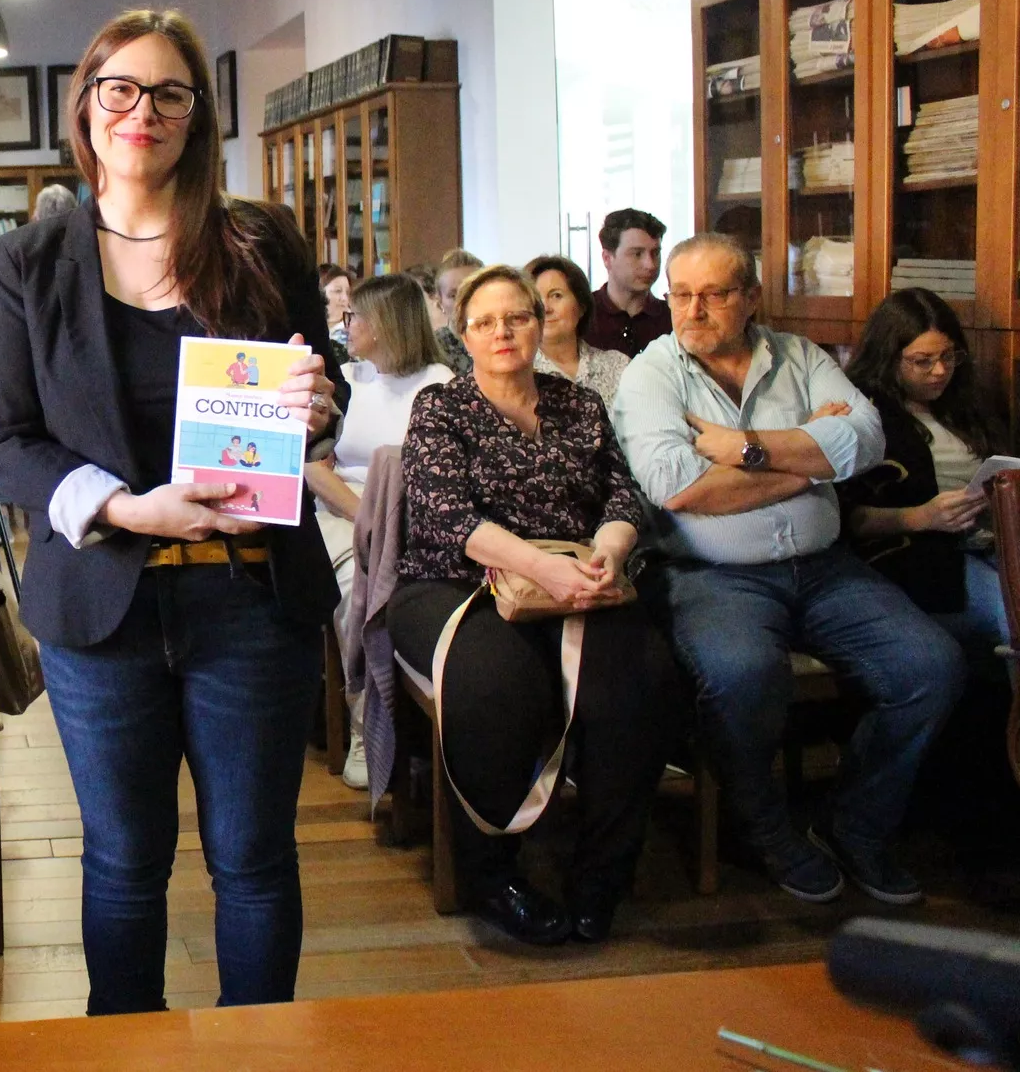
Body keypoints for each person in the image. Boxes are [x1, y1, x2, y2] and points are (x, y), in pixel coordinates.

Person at [0, 8, 340, 1014]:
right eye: (119, 89)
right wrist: (128, 512)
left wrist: (319, 404)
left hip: (251, 601)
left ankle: (255, 1049)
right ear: (86, 109)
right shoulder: (28, 263)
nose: (143, 109)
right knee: (125, 862)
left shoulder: (259, 241)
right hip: (103, 611)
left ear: (196, 115)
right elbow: (2, 442)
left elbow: (319, 387)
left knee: (253, 858)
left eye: (168, 92)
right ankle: (122, 1046)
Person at [611, 233, 965, 907]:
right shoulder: (652, 374)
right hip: (710, 574)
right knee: (745, 675)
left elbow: (865, 441)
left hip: (826, 567)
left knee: (932, 665)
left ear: (750, 297)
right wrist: (806, 464)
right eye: (680, 294)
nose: (693, 309)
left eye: (713, 294)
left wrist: (742, 448)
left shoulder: (799, 355)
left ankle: (855, 822)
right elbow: (675, 484)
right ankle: (767, 829)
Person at [392, 267, 679, 945]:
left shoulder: (579, 404)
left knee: (641, 679)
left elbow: (621, 493)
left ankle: (602, 874)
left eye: (516, 317)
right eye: (485, 321)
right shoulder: (441, 408)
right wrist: (543, 568)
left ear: (539, 323)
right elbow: (447, 517)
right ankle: (491, 873)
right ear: (464, 334)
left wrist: (609, 548)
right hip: (456, 583)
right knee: (498, 685)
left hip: (575, 579)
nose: (502, 332)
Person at [303, 273, 452, 788]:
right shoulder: (348, 378)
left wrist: (385, 518)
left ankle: (414, 729)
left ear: (386, 323)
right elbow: (314, 463)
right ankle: (368, 729)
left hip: (414, 520)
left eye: (356, 317)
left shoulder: (439, 383)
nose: (348, 326)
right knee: (354, 590)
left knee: (408, 588)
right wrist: (365, 515)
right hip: (344, 514)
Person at [841, 289, 1006, 653]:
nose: (941, 370)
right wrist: (921, 517)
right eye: (922, 360)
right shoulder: (862, 412)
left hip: (990, 542)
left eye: (949, 356)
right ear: (888, 358)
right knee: (1012, 614)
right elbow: (843, 518)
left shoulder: (963, 404)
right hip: (921, 560)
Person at [526, 255, 632, 407]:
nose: (546, 309)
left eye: (556, 296)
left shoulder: (619, 366)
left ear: (582, 305)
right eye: (536, 299)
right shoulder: (520, 374)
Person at [587, 208, 672, 356]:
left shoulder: (673, 317)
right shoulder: (582, 316)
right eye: (637, 254)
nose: (650, 265)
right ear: (607, 259)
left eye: (655, 253)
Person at [432, 248, 482, 374]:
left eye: (472, 291)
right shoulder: (433, 350)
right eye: (453, 295)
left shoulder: (501, 338)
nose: (463, 301)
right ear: (440, 302)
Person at [319, 263, 357, 348]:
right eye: (338, 291)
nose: (345, 298)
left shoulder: (355, 329)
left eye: (348, 293)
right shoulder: (305, 326)